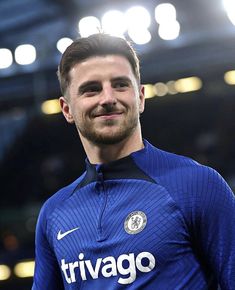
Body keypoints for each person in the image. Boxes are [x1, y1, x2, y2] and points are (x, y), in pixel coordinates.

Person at [32, 33, 235, 289]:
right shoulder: (54, 214)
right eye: (91, 89)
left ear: (140, 97)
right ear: (67, 109)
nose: (107, 98)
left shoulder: (197, 186)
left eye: (120, 84)